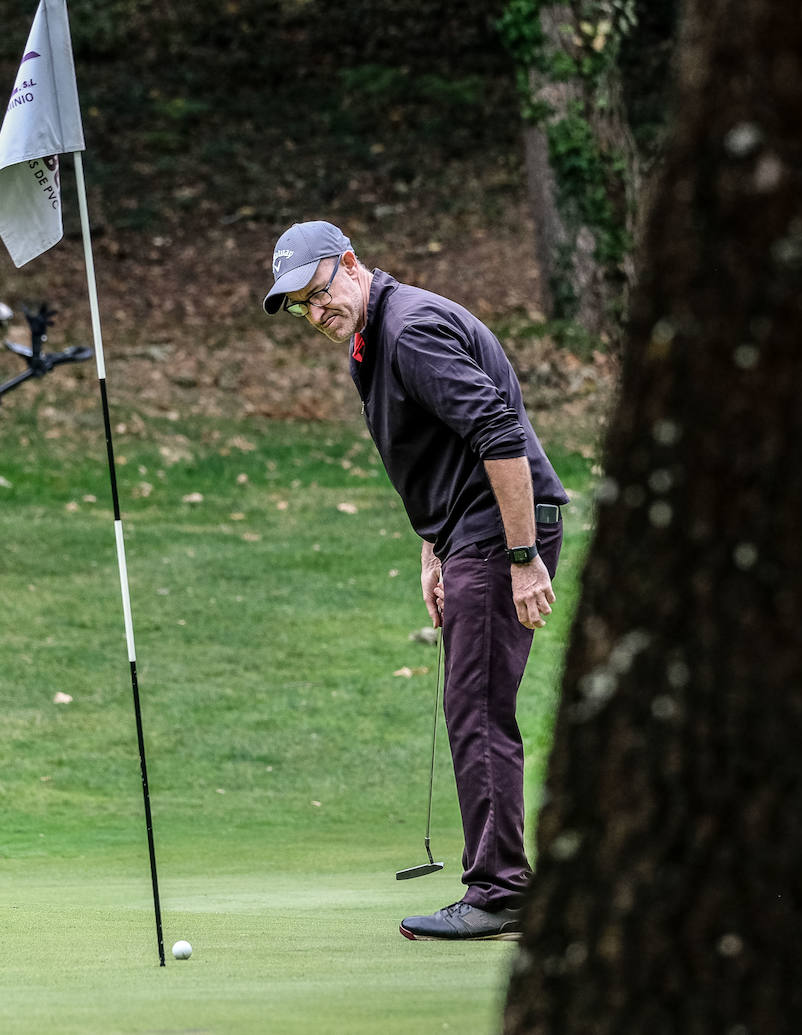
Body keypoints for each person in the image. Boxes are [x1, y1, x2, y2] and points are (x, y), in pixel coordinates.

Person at [262, 220, 569, 941]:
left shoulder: (410, 330)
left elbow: (497, 433)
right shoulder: (374, 338)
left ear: (349, 264)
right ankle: (501, 886)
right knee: (472, 704)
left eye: (317, 293)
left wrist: (523, 556)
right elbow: (436, 450)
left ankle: (500, 892)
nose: (315, 313)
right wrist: (433, 547)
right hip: (471, 530)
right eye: (302, 307)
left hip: (500, 530)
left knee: (476, 707)